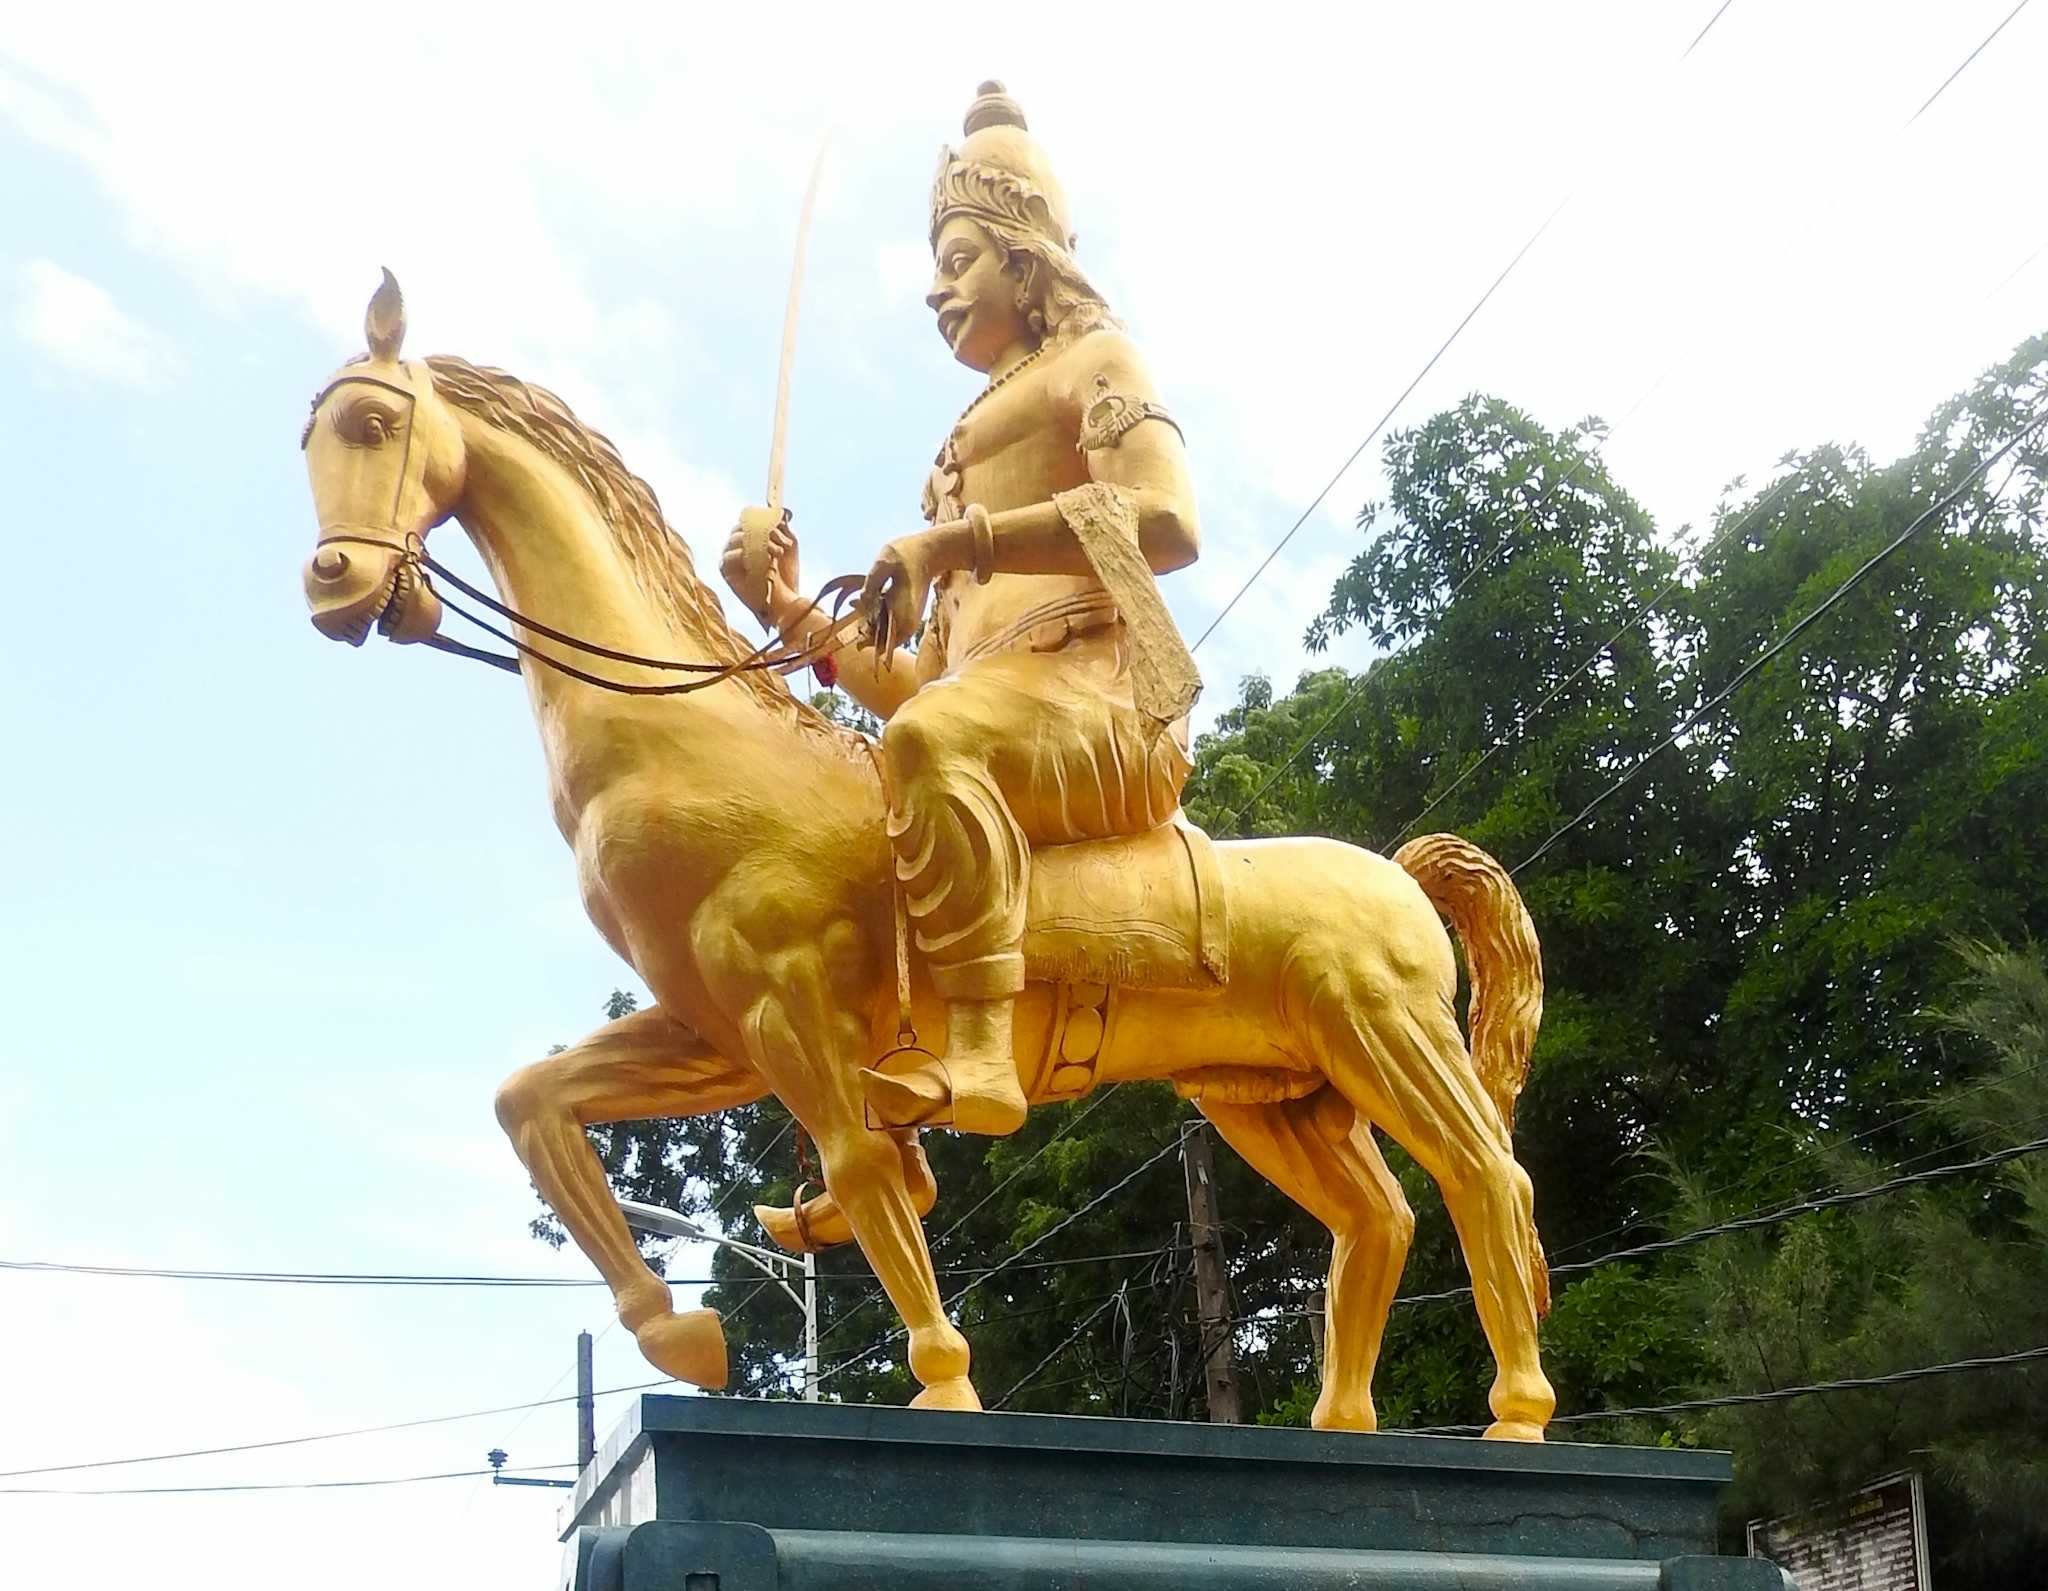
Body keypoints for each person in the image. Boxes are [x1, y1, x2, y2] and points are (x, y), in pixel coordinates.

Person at [723, 81, 1202, 1135]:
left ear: (1024, 264)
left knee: (935, 741)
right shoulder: (953, 450)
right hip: (988, 721)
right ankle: (858, 1133)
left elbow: (1165, 522)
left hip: (1103, 702)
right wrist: (792, 606)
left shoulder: (1097, 364)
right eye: (934, 269)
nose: (934, 292)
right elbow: (912, 686)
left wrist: (959, 539)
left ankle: (982, 1050)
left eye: (957, 263)